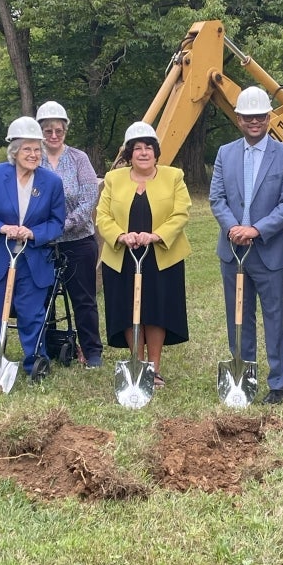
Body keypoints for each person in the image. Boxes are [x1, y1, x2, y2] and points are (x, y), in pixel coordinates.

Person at [209, 86, 283, 404]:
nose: (255, 122)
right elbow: (217, 197)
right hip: (233, 251)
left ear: (268, 117)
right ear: (238, 118)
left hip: (269, 252)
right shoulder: (225, 153)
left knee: (275, 318)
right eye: (248, 116)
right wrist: (233, 227)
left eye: (260, 116)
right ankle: (243, 378)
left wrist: (256, 230)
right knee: (238, 318)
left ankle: (278, 384)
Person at [95, 122, 191, 386]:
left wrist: (156, 235)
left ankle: (154, 368)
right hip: (123, 256)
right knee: (129, 310)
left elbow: (181, 212)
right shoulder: (113, 179)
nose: (144, 152)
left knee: (156, 310)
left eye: (149, 147)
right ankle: (136, 363)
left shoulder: (174, 176)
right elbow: (102, 215)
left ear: (156, 152)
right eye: (137, 148)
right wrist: (120, 235)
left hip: (161, 255)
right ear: (129, 154)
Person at [0, 116, 66, 376]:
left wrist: (33, 233)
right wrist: (2, 228)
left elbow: (57, 223)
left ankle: (36, 362)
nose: (33, 154)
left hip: (33, 258)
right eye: (27, 149)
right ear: (14, 151)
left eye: (37, 149)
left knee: (31, 312)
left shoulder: (52, 182)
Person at [36, 100, 103, 369]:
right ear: (39, 131)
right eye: (48, 131)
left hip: (77, 241)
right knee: (43, 297)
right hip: (40, 243)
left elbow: (89, 200)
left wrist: (59, 226)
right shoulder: (31, 157)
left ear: (65, 131)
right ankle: (50, 345)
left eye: (58, 131)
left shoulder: (79, 159)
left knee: (83, 298)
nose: (53, 136)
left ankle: (92, 351)